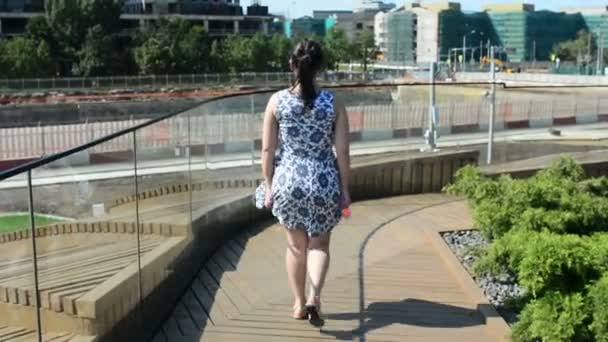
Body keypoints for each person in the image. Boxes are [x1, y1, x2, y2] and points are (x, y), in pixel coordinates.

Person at [261, 39, 351, 325]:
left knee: (296, 247)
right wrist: (345, 190)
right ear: (321, 67)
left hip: (288, 181)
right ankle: (315, 296)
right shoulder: (333, 103)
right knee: (320, 246)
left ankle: (299, 304)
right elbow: (343, 152)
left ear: (292, 65)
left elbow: (267, 150)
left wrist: (268, 185)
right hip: (324, 182)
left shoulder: (277, 101)